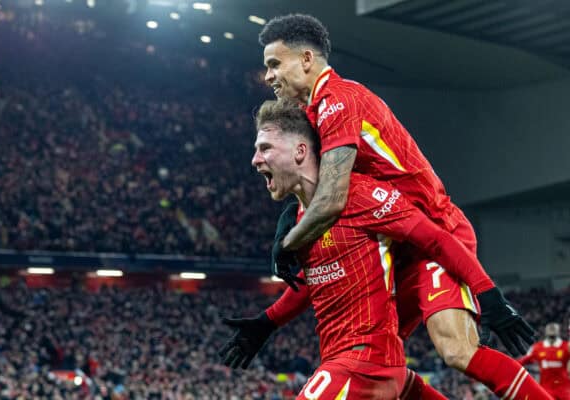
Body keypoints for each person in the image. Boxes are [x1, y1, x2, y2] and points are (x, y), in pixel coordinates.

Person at [256, 14, 539, 399]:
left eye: (274, 64)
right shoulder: (312, 114)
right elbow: (314, 191)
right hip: (395, 240)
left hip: (435, 231)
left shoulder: (339, 100)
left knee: (456, 350)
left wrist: (287, 242)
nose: (268, 76)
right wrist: (285, 230)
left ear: (306, 59)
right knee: (379, 359)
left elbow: (332, 195)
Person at [220, 100, 552, 400]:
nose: (255, 159)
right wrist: (268, 321)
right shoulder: (303, 219)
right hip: (360, 367)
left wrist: (488, 293)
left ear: (300, 151)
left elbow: (435, 239)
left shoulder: (359, 195)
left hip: (365, 361)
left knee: (457, 351)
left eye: (264, 148)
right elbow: (314, 279)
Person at [519, 322, 570, 399]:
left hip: (564, 389)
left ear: (559, 331)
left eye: (554, 327)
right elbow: (521, 361)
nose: (552, 328)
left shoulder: (566, 346)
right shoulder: (537, 348)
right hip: (546, 389)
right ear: (545, 331)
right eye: (550, 327)